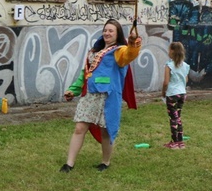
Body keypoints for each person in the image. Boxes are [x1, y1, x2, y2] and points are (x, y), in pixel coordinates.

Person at [60, 19, 142, 172]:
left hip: (108, 97)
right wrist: (74, 89)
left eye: (111, 31)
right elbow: (85, 74)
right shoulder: (94, 51)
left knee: (106, 131)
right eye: (105, 30)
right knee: (79, 128)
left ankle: (105, 162)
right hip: (90, 96)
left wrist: (132, 43)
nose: (107, 33)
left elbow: (129, 55)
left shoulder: (119, 51)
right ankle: (69, 164)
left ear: (117, 34)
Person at [161, 41, 190, 149]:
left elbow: (166, 82)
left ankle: (174, 142)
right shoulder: (185, 66)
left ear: (173, 51)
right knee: (178, 117)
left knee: (173, 119)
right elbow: (186, 80)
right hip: (182, 94)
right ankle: (180, 142)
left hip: (172, 94)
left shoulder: (169, 66)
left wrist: (163, 92)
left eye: (169, 50)